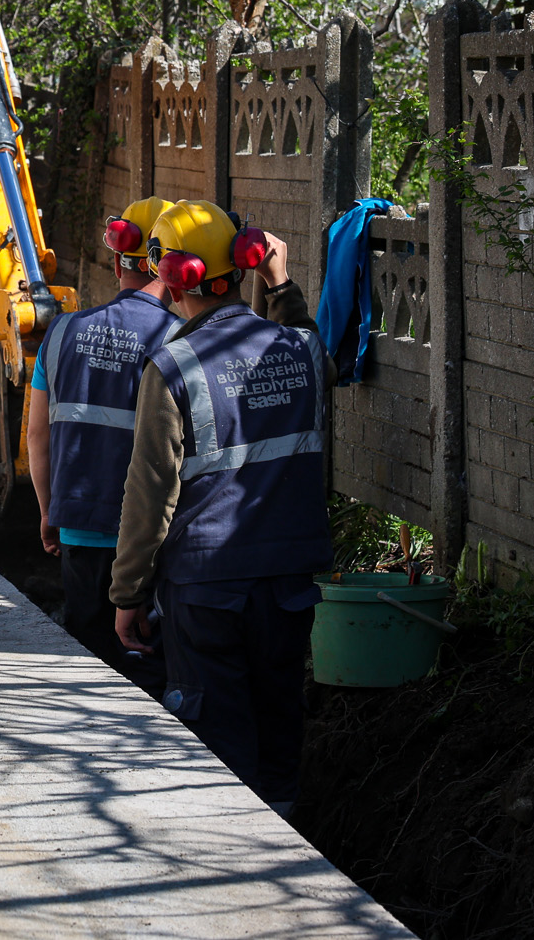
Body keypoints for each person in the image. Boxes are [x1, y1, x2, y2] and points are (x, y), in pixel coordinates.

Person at [110, 201, 334, 815]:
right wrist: (280, 285)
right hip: (287, 582)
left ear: (172, 274)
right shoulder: (302, 350)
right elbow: (318, 351)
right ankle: (291, 858)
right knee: (280, 729)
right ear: (242, 263)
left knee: (219, 746)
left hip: (206, 589)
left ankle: (235, 874)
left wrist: (128, 592)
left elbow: (151, 489)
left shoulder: (174, 365)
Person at [26, 195, 180, 687]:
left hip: (78, 526)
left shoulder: (63, 330)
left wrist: (49, 510)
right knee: (150, 668)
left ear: (116, 260)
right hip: (154, 539)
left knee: (89, 667)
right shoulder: (182, 340)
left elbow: (37, 435)